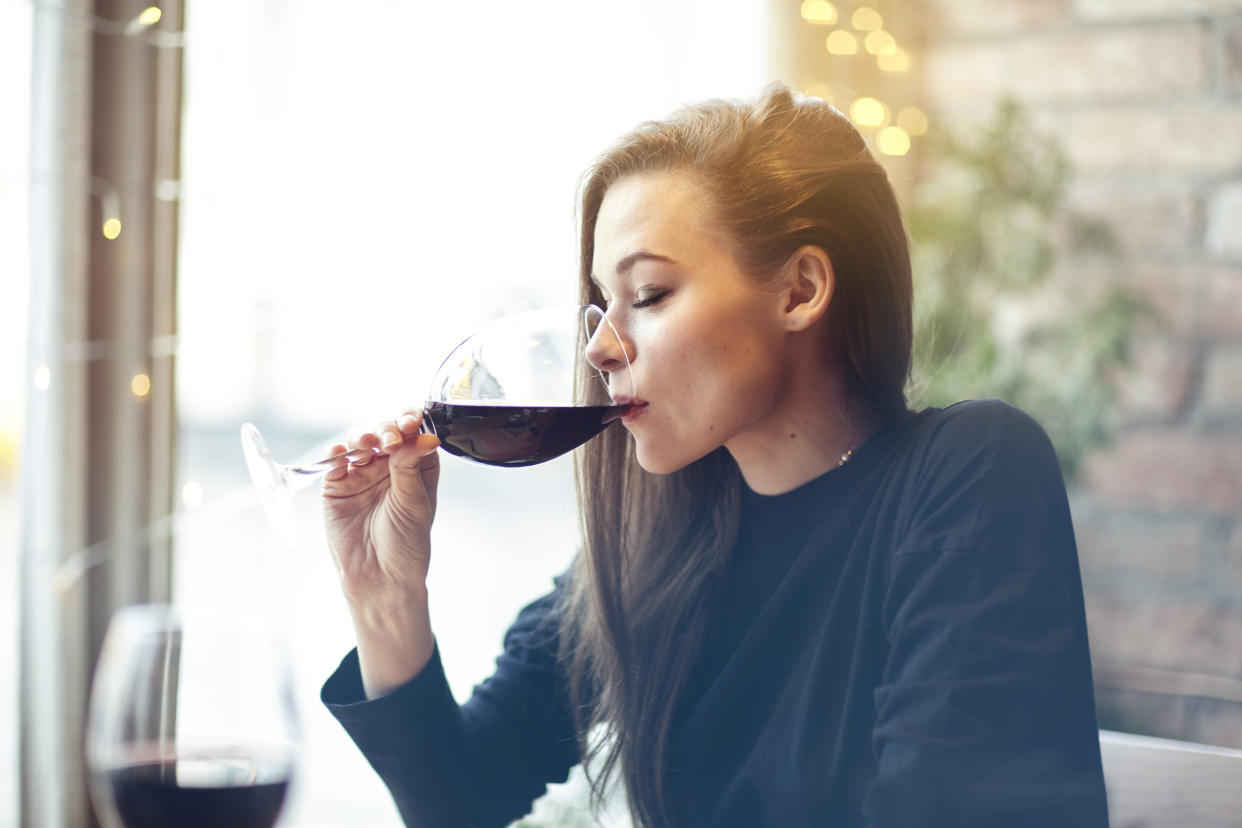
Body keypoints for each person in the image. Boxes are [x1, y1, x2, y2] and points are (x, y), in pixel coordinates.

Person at [318, 83, 1110, 828]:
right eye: (599, 304)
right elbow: (462, 796)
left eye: (650, 294)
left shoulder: (969, 472)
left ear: (799, 290)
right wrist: (384, 595)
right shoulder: (657, 538)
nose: (598, 347)